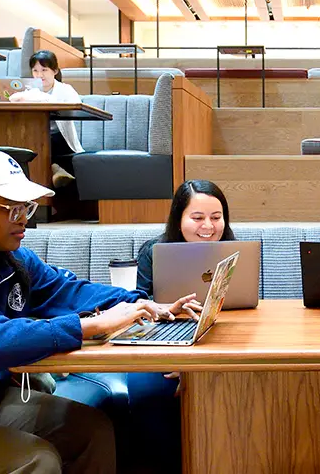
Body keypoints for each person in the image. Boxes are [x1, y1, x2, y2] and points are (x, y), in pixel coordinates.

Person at [0, 148, 201, 473]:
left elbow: (70, 291)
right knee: (36, 460)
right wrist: (91, 325)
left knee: (91, 431)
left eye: (25, 208)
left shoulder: (12, 262)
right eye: (10, 209)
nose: (23, 220)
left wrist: (143, 304)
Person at [127, 179, 236, 474]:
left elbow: (243, 311)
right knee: (150, 394)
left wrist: (194, 366)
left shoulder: (234, 251)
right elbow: (142, 312)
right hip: (162, 345)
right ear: (179, 218)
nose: (209, 227)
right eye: (197, 217)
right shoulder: (154, 252)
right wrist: (178, 362)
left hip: (220, 344)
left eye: (216, 217)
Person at [10, 50, 82, 188]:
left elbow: (75, 106)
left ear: (54, 71)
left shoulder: (65, 89)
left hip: (60, 141)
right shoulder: (29, 91)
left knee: (45, 138)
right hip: (35, 138)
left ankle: (53, 170)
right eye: (35, 70)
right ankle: (54, 170)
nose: (39, 75)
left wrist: (41, 98)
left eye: (44, 70)